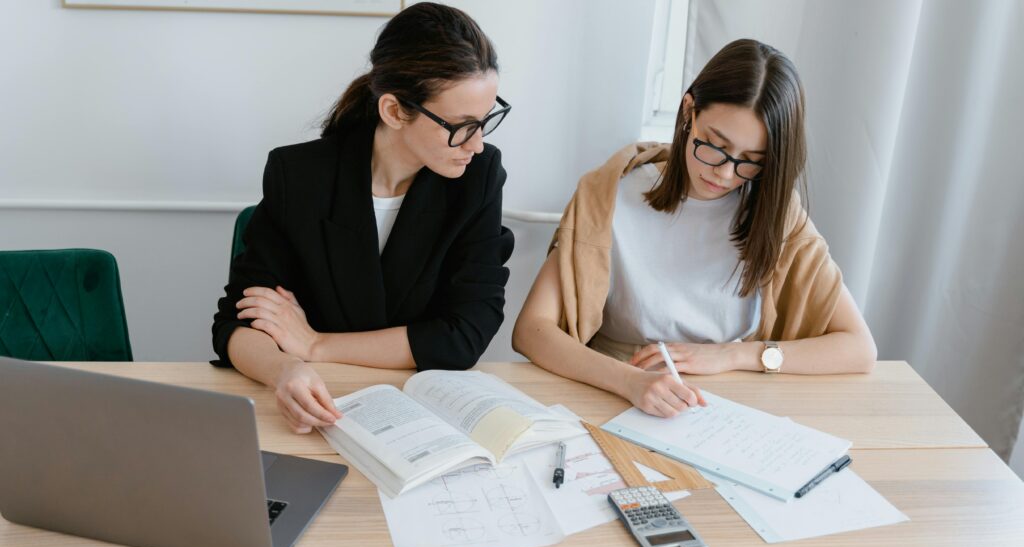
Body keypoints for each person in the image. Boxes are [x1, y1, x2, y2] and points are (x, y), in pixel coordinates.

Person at [512, 39, 876, 418]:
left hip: (726, 401)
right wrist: (629, 382)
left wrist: (732, 355)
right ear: (689, 111)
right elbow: (532, 330)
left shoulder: (777, 215)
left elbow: (859, 349)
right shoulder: (608, 195)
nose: (724, 173)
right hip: (612, 392)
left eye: (751, 162)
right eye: (715, 146)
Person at [213, 2, 513, 434]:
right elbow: (238, 321)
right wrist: (283, 370)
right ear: (393, 111)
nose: (478, 144)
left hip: (422, 415)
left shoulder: (478, 177)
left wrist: (315, 345)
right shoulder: (299, 176)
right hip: (321, 406)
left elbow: (465, 335)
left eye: (486, 121)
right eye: (463, 126)